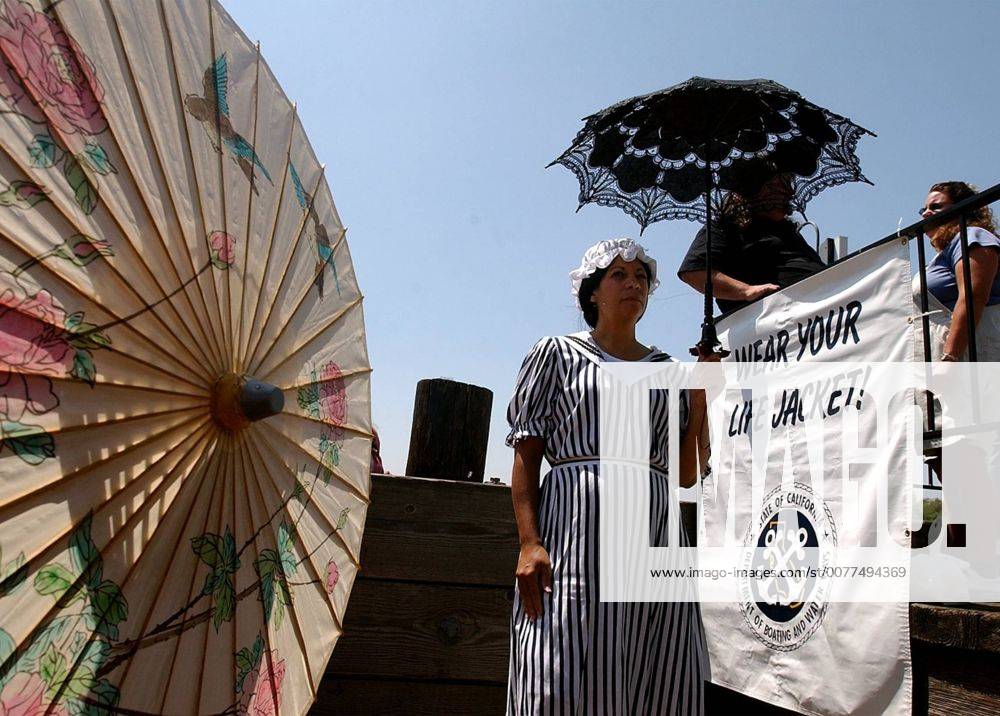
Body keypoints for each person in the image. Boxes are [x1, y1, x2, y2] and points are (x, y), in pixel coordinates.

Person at [505, 238, 714, 715]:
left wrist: (699, 395)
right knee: (555, 675)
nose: (633, 283)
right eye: (618, 275)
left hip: (654, 540)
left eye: (640, 277)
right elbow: (527, 455)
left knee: (652, 675)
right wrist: (528, 542)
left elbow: (683, 473)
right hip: (575, 540)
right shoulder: (556, 353)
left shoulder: (669, 370)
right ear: (592, 292)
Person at [677, 173, 826, 313]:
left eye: (788, 184)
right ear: (754, 189)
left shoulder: (788, 231)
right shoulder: (726, 227)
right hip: (772, 325)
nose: (788, 192)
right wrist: (746, 291)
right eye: (778, 185)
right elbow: (695, 272)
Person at [916, 181, 1000, 361]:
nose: (926, 214)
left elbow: (973, 296)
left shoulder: (973, 235)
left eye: (936, 207)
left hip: (978, 354)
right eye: (923, 210)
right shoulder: (943, 254)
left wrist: (950, 357)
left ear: (963, 208)